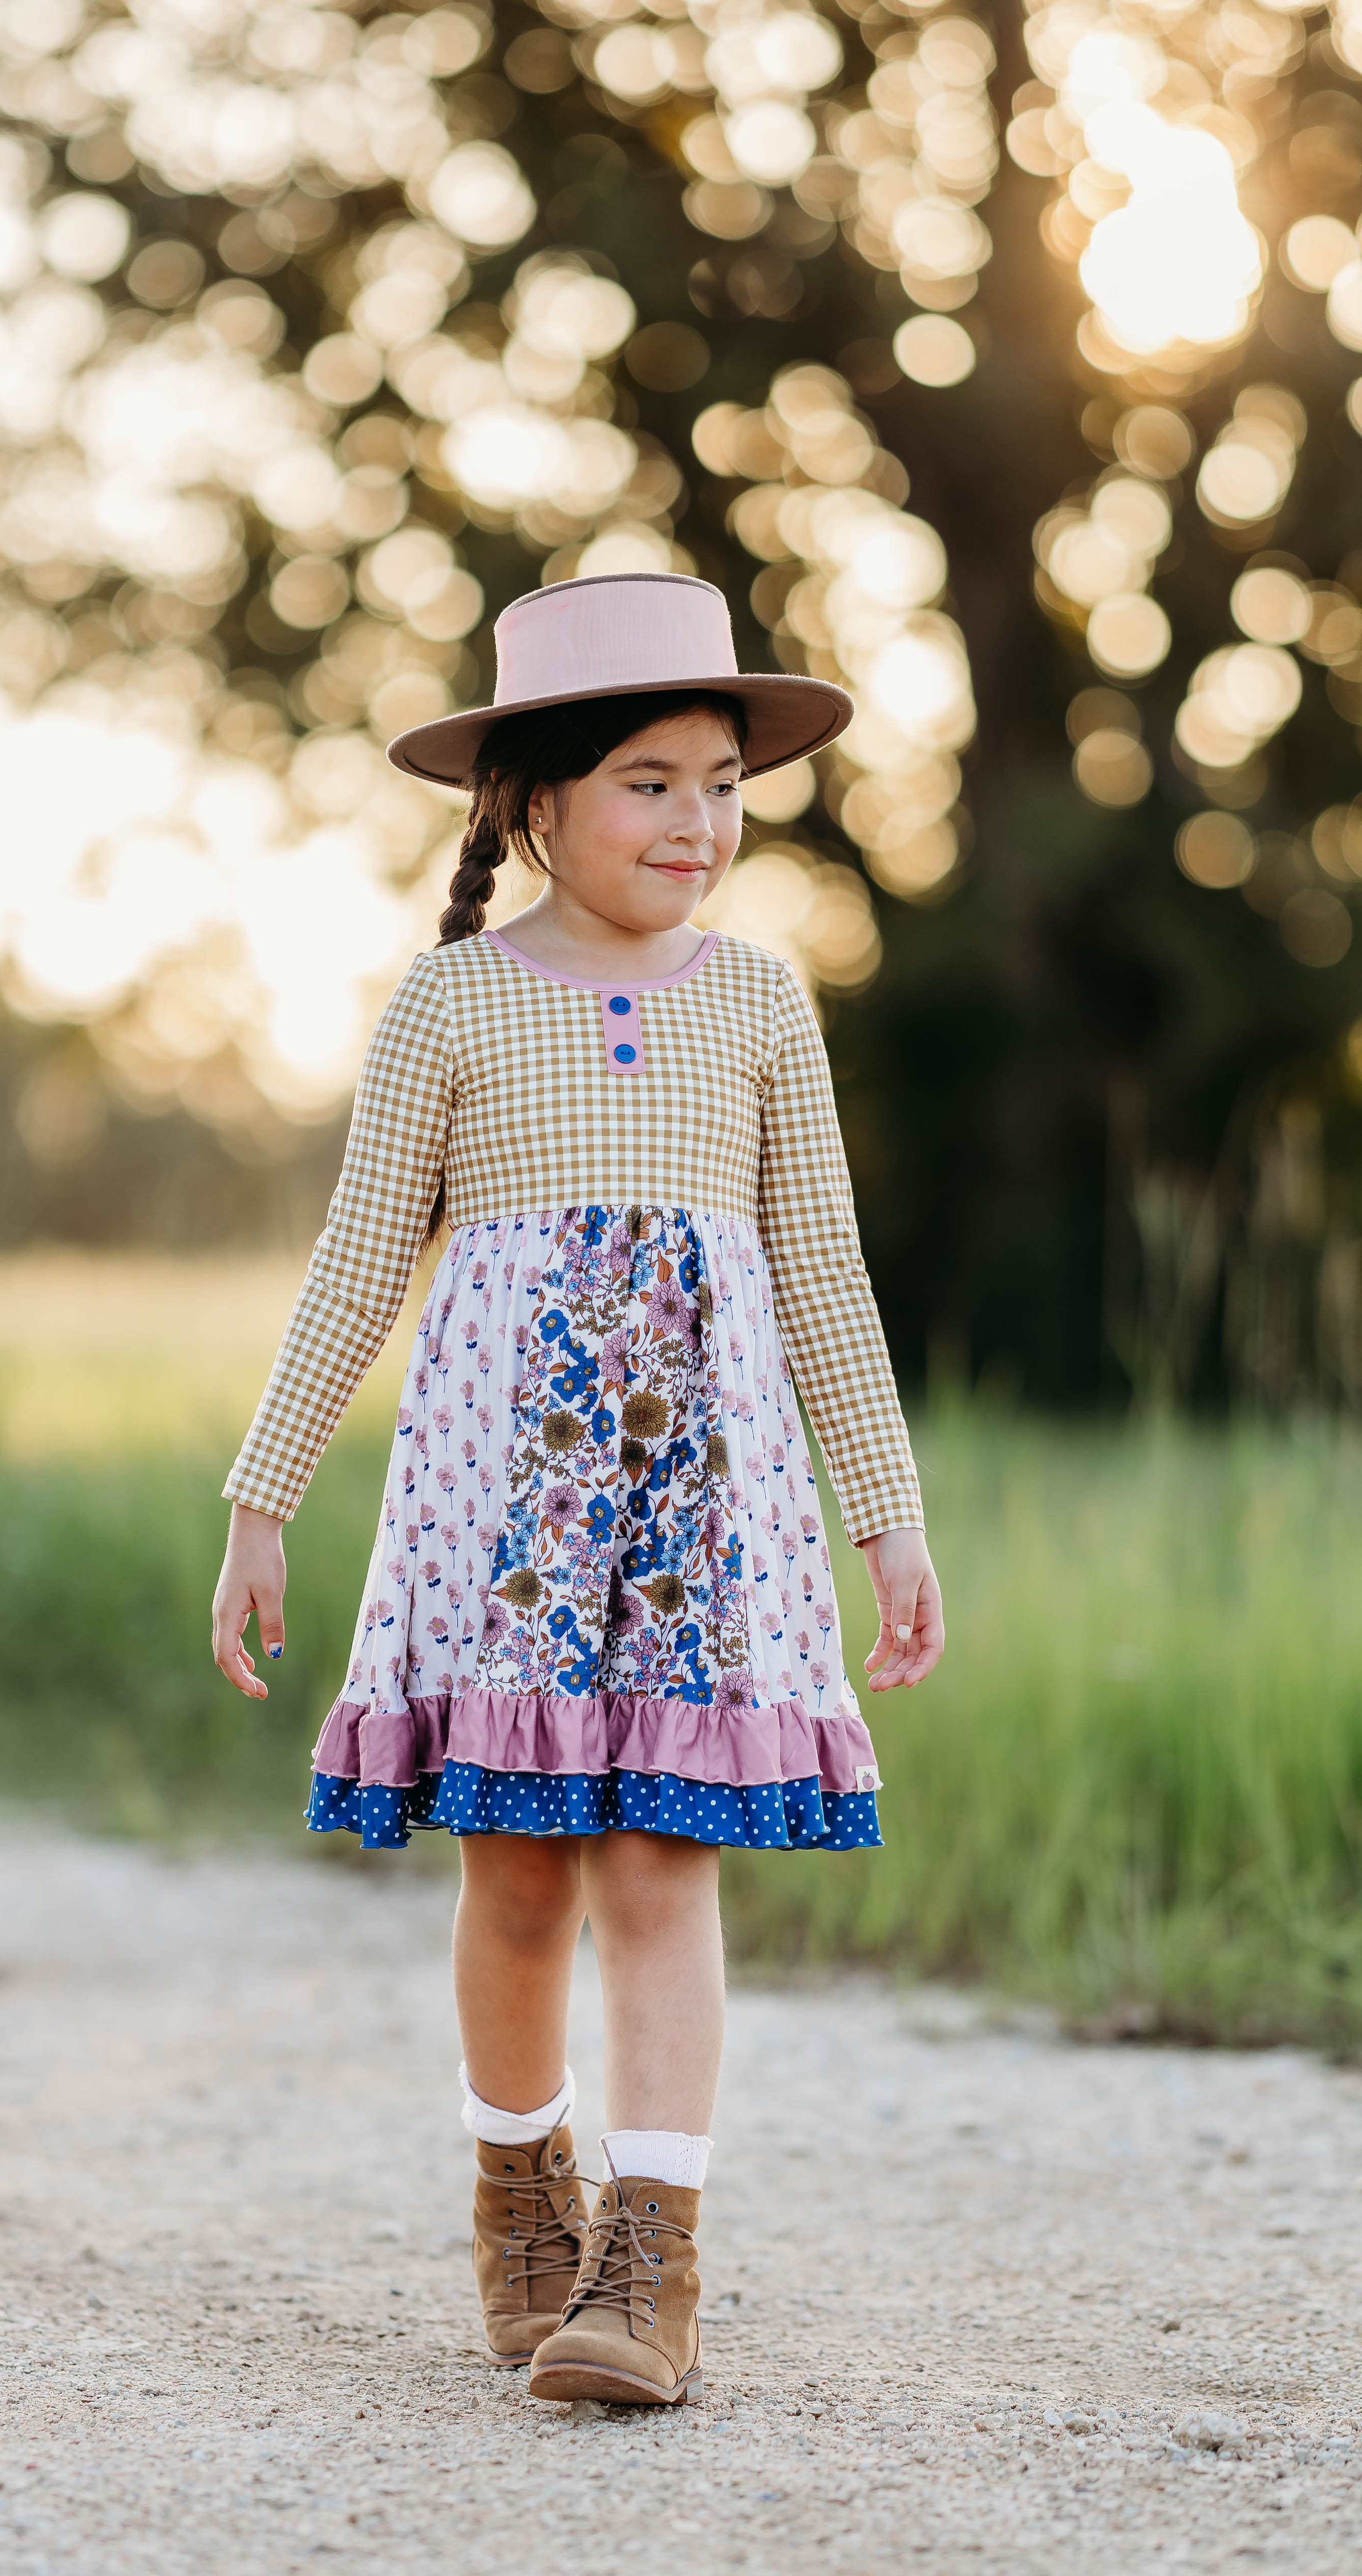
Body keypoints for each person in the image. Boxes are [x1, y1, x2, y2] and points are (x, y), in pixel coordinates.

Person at [212, 571, 943, 2410]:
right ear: (533, 799)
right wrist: (262, 1495)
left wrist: (888, 1508)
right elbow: (360, 1259)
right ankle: (521, 2195)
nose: (697, 822)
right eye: (647, 781)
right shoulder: (454, 1008)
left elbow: (830, 1271)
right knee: (524, 1874)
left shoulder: (764, 1007)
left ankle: (656, 2262)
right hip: (500, 1519)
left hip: (701, 1512)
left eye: (719, 782)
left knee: (655, 1860)